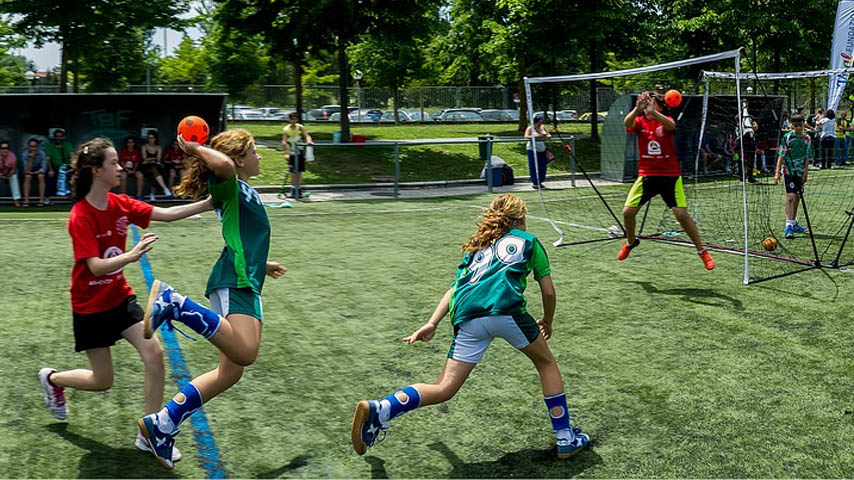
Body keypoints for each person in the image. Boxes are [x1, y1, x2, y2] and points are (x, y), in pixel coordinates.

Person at [349, 194, 590, 460]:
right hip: (506, 311)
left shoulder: (478, 246)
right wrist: (548, 320)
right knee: (546, 364)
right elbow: (549, 291)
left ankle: (381, 408)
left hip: (468, 318)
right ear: (521, 218)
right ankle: (566, 437)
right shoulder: (529, 242)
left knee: (444, 388)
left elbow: (455, 289)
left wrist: (432, 322)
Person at [37, 137, 213, 462]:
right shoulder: (80, 216)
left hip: (119, 299)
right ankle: (52, 378)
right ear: (96, 170)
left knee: (154, 353)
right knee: (102, 381)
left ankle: (150, 433)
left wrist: (205, 204)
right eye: (114, 163)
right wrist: (131, 256)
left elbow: (164, 214)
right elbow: (95, 265)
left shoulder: (120, 203)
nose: (121, 168)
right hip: (89, 307)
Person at [136, 129, 287, 469]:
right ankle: (174, 303)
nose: (259, 157)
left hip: (244, 276)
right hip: (236, 280)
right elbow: (223, 167)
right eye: (253, 152)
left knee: (230, 372)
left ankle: (163, 424)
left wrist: (263, 264)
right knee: (246, 352)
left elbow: (241, 236)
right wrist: (193, 147)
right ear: (238, 160)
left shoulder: (240, 191)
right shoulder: (230, 182)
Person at [618, 91, 716, 270]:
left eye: (651, 102)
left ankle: (702, 251)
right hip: (647, 176)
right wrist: (637, 109)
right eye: (645, 102)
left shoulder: (667, 120)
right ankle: (631, 242)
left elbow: (670, 125)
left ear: (660, 106)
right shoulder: (640, 121)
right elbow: (627, 123)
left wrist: (653, 112)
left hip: (670, 176)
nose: (647, 105)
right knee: (627, 213)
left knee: (681, 215)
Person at [774, 114, 811, 238]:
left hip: (800, 172)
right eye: (795, 126)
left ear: (803, 124)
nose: (798, 128)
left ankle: (793, 222)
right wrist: (777, 171)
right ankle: (788, 225)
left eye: (800, 125)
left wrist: (805, 173)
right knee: (790, 196)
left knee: (798, 196)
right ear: (791, 125)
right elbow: (781, 155)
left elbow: (807, 157)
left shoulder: (807, 138)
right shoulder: (787, 137)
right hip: (788, 171)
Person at [281, 112, 313, 200]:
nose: (293, 121)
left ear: (297, 120)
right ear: (289, 120)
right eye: (292, 119)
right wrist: (286, 153)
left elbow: (307, 136)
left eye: (295, 119)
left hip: (300, 151)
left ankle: (298, 188)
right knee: (292, 171)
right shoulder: (286, 129)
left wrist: (309, 141)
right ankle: (293, 188)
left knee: (299, 170)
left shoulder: (300, 127)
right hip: (291, 152)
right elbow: (284, 142)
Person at [139, 130, 173, 201]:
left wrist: (150, 159)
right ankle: (164, 188)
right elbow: (144, 159)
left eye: (152, 138)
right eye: (149, 138)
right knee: (154, 171)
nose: (151, 140)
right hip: (145, 167)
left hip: (155, 166)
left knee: (154, 172)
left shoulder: (158, 147)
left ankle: (152, 194)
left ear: (155, 139)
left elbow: (158, 159)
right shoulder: (144, 147)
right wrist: (152, 159)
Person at [45, 128, 74, 197]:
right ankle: (51, 196)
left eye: (60, 136)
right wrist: (50, 170)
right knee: (50, 177)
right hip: (55, 167)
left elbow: (72, 156)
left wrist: (73, 168)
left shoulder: (67, 145)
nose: (58, 138)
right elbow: (48, 159)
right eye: (57, 136)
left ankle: (70, 194)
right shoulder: (50, 146)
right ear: (54, 137)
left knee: (71, 175)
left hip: (67, 166)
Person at [736, 98, 759, 183]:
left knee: (751, 159)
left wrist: (754, 127)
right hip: (741, 141)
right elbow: (738, 126)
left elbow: (755, 126)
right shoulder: (738, 116)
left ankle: (750, 177)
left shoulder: (751, 116)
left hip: (750, 140)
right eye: (743, 104)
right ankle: (741, 177)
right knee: (740, 159)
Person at [524, 114, 551, 188]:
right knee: (533, 165)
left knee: (542, 166)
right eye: (540, 121)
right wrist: (538, 136)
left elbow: (548, 135)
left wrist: (547, 136)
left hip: (542, 148)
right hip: (532, 149)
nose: (541, 122)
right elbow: (526, 136)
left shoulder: (543, 128)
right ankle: (535, 182)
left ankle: (541, 181)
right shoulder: (530, 128)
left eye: (542, 120)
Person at [21, 137, 48, 206]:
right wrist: (31, 158)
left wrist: (34, 172)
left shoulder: (42, 153)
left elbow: (43, 168)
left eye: (35, 146)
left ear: (38, 147)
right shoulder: (25, 154)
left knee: (41, 176)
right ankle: (26, 200)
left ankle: (41, 200)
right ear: (28, 146)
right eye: (31, 146)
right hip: (29, 172)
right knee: (28, 177)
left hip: (38, 172)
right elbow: (26, 170)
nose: (33, 148)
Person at [0, 140, 21, 206]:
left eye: (7, 148)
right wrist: (0, 175)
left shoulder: (12, 156)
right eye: (3, 148)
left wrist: (8, 176)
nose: (5, 150)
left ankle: (16, 199)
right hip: (0, 172)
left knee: (14, 177)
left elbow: (13, 170)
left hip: (10, 172)